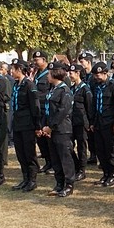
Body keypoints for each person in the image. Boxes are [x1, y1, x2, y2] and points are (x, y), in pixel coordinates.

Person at [39, 60, 75, 196]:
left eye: (49, 73)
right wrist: (44, 126)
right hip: (51, 130)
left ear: (55, 74)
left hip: (62, 130)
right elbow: (48, 109)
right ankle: (59, 183)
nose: (47, 76)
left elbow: (62, 111)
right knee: (55, 158)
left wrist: (51, 127)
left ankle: (69, 185)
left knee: (65, 158)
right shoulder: (52, 89)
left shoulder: (64, 90)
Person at [10, 59, 41, 191]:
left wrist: (37, 125)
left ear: (19, 70)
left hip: (28, 124)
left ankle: (32, 180)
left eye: (13, 69)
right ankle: (25, 178)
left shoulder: (29, 85)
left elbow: (35, 106)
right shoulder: (16, 84)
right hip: (17, 123)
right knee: (20, 153)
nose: (11, 71)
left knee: (29, 153)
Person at [90, 61, 114, 187]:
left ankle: (112, 174)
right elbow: (93, 104)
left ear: (105, 73)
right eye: (95, 75)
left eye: (99, 74)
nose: (97, 77)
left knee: (110, 149)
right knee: (100, 149)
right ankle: (105, 173)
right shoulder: (95, 86)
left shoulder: (113, 85)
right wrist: (92, 122)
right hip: (98, 122)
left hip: (109, 122)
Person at [68, 63, 94, 182]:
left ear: (78, 73)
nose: (69, 75)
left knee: (81, 147)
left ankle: (82, 171)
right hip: (72, 122)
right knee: (69, 145)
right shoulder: (72, 88)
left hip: (82, 123)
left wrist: (90, 123)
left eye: (71, 73)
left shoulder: (85, 89)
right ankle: (76, 165)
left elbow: (90, 108)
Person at [31, 50, 53, 173]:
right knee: (40, 138)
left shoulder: (49, 73)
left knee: (47, 138)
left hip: (46, 109)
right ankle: (48, 161)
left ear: (44, 60)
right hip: (37, 109)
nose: (35, 62)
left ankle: (53, 163)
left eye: (37, 60)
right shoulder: (37, 73)